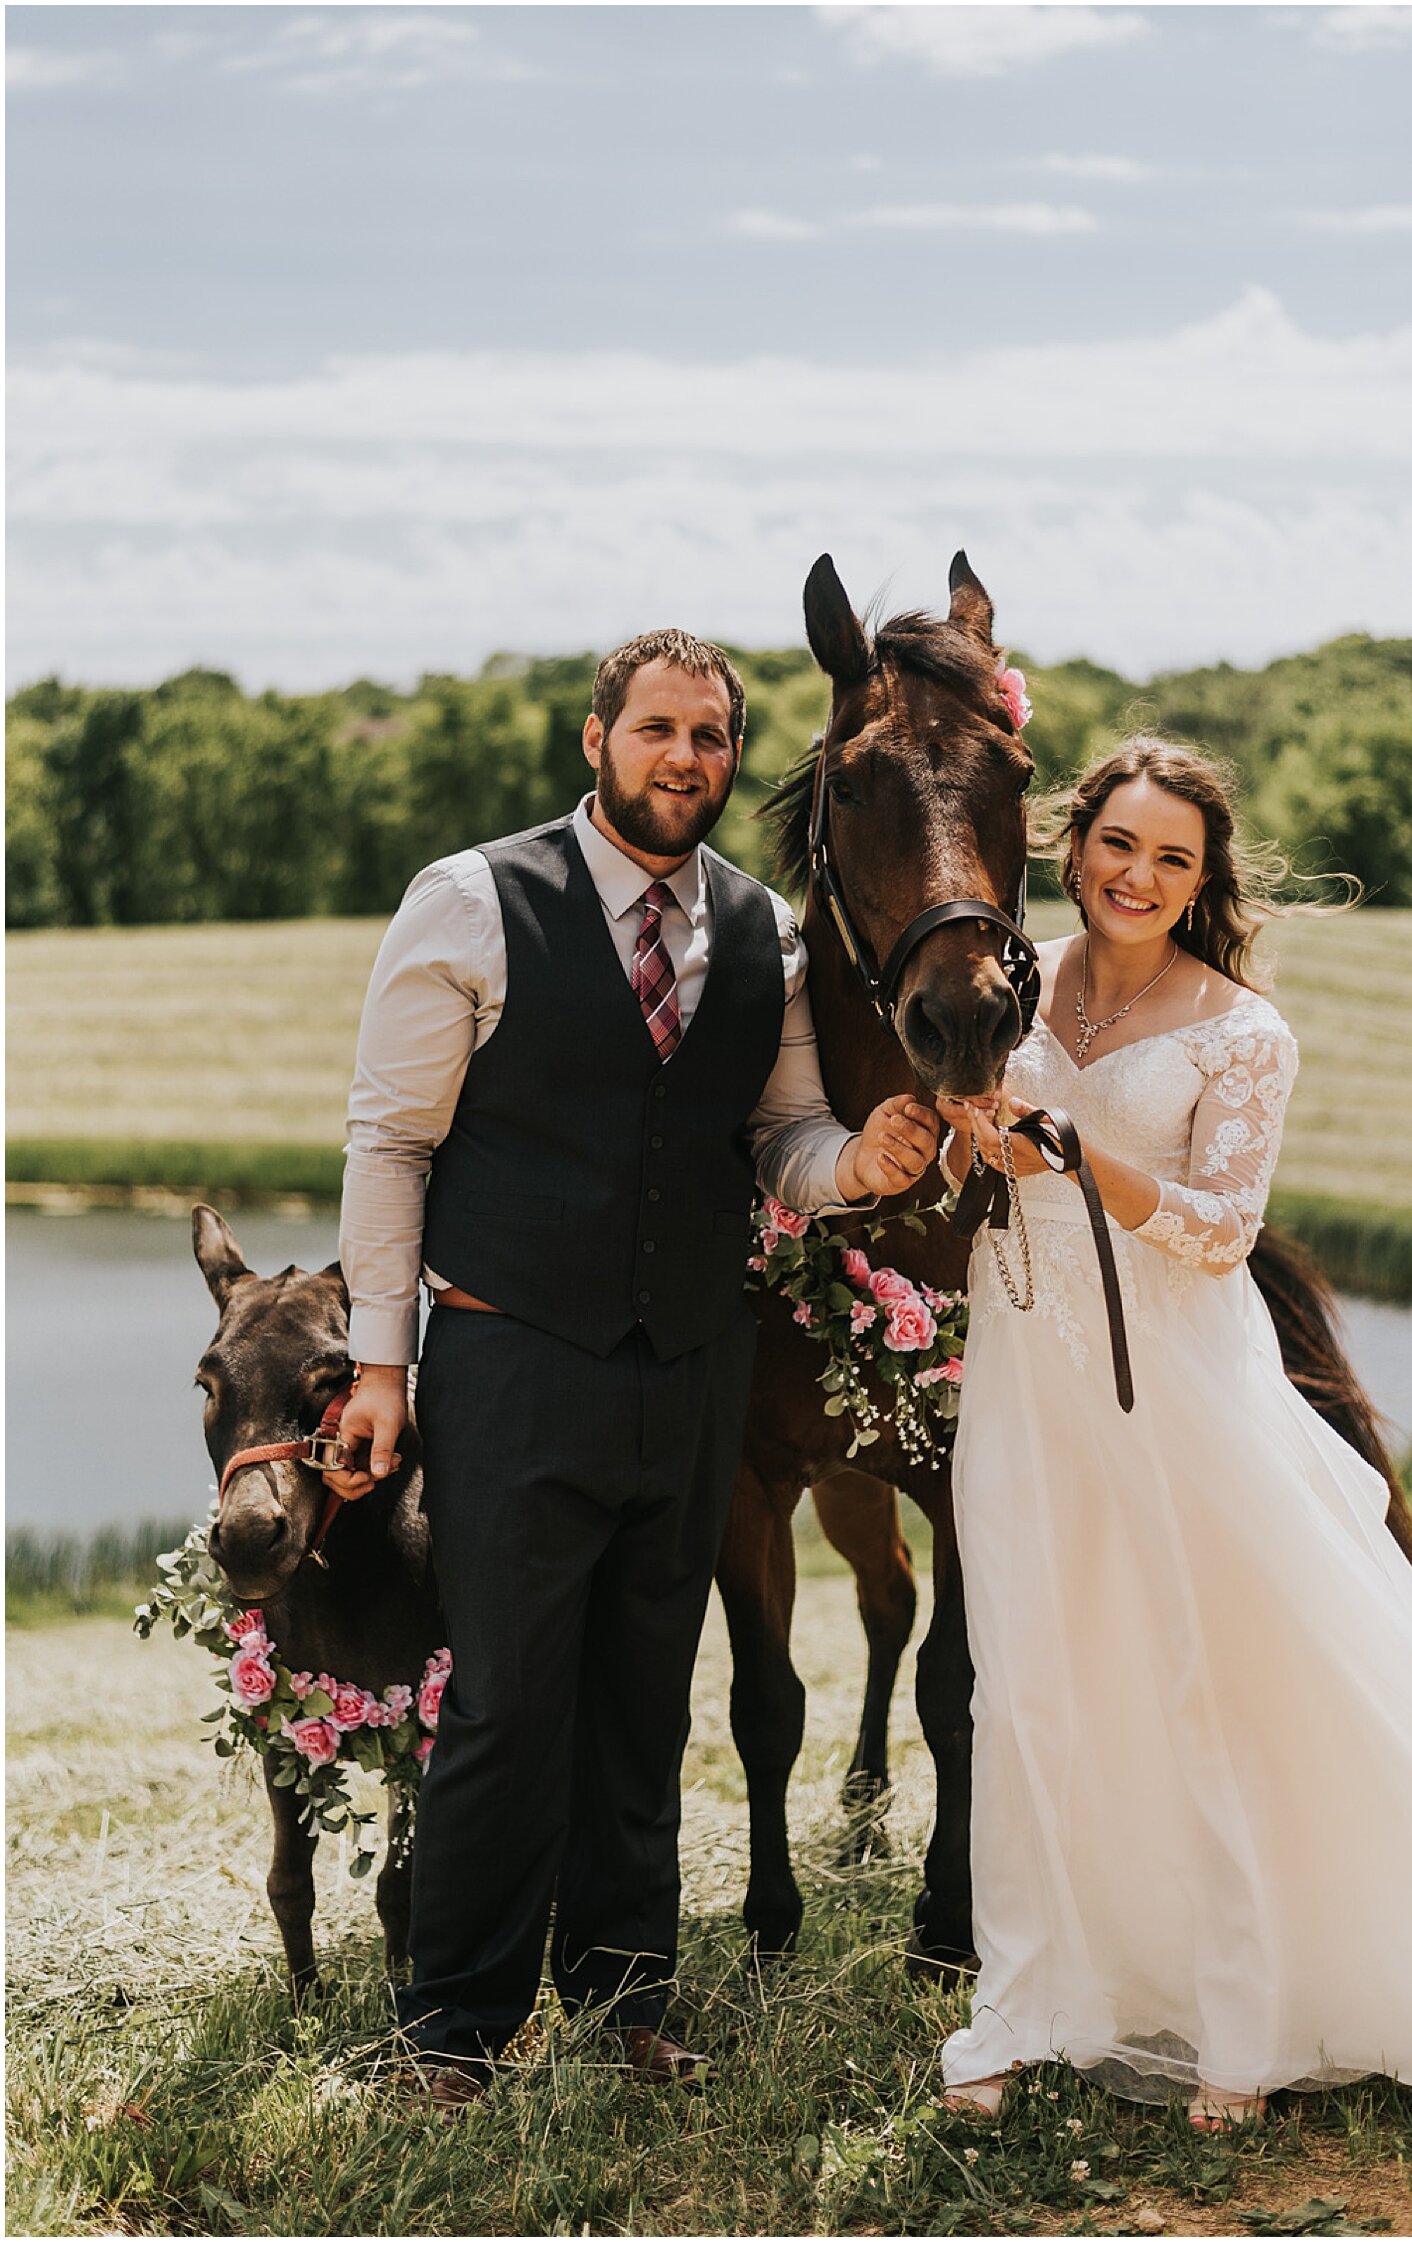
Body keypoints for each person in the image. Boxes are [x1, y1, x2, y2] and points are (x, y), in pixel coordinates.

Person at [326, 628, 938, 2111]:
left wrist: (857, 1160)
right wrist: (382, 1367)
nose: (686, 758)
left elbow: (781, 1143)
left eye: (712, 737)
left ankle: (623, 1993)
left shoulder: (763, 937)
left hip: (690, 1368)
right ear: (594, 739)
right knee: (507, 1699)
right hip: (513, 1358)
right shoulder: (471, 902)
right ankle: (453, 2027)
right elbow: (391, 1142)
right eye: (658, 728)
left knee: (646, 1695)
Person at [934, 738, 1412, 2129]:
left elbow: (1220, 1232)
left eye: (1172, 856)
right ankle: (1031, 1991)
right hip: (1021, 1369)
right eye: (1120, 842)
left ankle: (1241, 2014)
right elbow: (966, 1156)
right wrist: (974, 1145)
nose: (1139, 874)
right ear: (1078, 841)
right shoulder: (1012, 977)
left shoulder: (1242, 1029)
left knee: (1195, 1678)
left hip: (1173, 1387)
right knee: (1031, 1673)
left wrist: (1077, 1153)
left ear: (1203, 877)